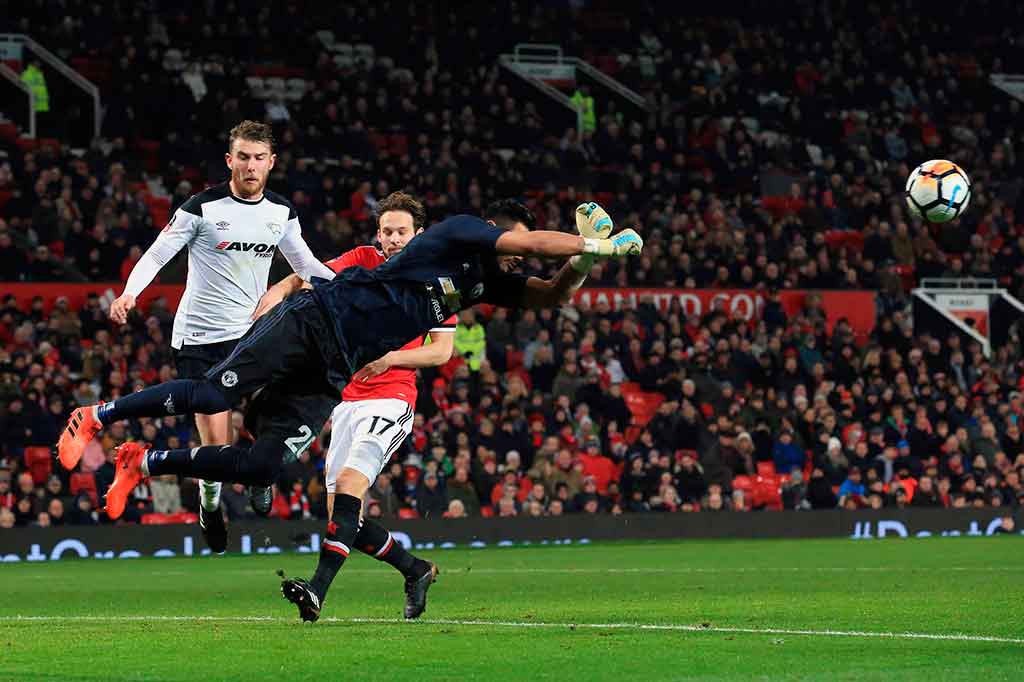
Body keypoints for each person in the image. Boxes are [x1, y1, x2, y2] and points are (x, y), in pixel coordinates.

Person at [57, 200, 640, 619]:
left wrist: (588, 263)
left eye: (397, 230)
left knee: (263, 467)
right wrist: (598, 243)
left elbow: (550, 291)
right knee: (214, 396)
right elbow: (536, 245)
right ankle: (98, 416)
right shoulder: (457, 233)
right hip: (314, 326)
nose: (518, 259)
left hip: (333, 373)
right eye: (512, 245)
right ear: (494, 232)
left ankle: (145, 462)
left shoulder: (483, 284)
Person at [58, 120, 335, 553]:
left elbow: (308, 265)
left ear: (271, 163)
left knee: (283, 410)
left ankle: (260, 474)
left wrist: (349, 288)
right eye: (242, 157)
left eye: (259, 158)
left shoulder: (281, 213)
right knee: (215, 444)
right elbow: (157, 254)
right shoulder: (201, 208)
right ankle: (210, 505)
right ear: (230, 160)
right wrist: (131, 293)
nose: (250, 166)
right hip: (200, 339)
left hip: (250, 337)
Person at [253, 190, 456, 619]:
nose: (393, 239)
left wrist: (390, 358)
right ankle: (415, 570)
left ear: (418, 233)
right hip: (346, 402)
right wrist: (286, 284)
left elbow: (441, 352)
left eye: (402, 232)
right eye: (387, 232)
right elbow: (318, 275)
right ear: (377, 234)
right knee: (345, 520)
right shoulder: (364, 257)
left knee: (348, 488)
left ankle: (316, 592)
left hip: (391, 399)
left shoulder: (439, 278)